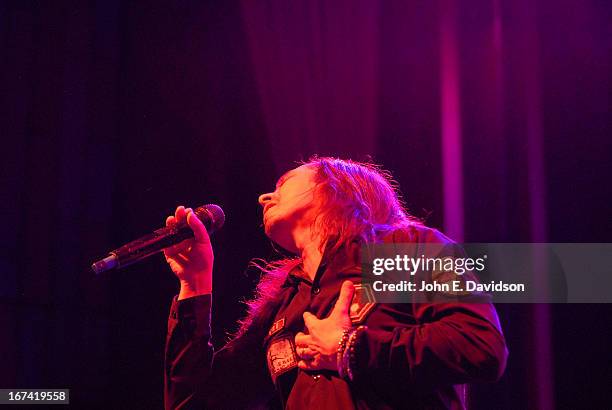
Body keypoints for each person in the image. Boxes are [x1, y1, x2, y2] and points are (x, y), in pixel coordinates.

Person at [163, 157, 508, 409]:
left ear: (335, 189)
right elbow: (199, 404)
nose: (263, 197)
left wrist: (352, 348)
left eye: (284, 183)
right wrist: (195, 282)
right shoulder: (283, 306)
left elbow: (480, 347)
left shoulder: (407, 250)